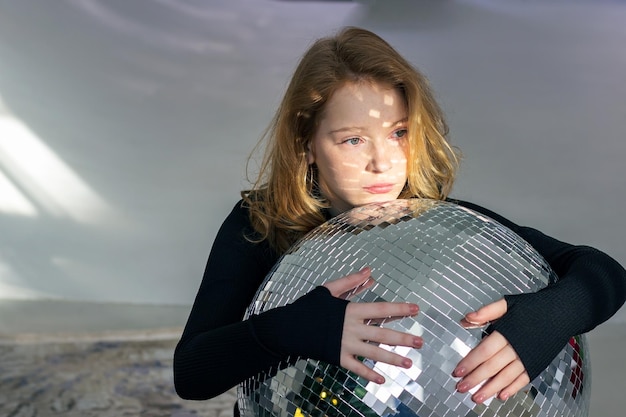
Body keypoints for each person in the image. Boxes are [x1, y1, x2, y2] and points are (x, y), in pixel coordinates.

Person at [174, 27, 626, 410]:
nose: (383, 163)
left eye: (398, 133)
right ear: (305, 143)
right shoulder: (261, 221)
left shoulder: (441, 221)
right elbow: (191, 375)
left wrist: (543, 321)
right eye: (352, 140)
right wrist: (292, 328)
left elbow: (603, 273)